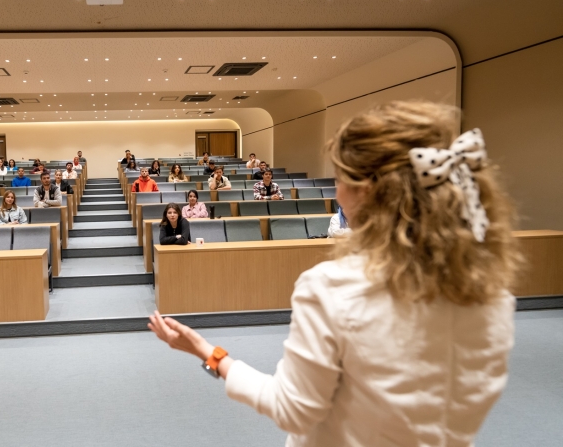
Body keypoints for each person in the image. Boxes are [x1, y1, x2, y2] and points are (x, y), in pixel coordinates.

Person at [147, 101, 520, 446]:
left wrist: (206, 351)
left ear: (368, 192)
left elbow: (292, 409)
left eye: (340, 179)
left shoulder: (334, 288)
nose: (336, 192)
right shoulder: (494, 296)